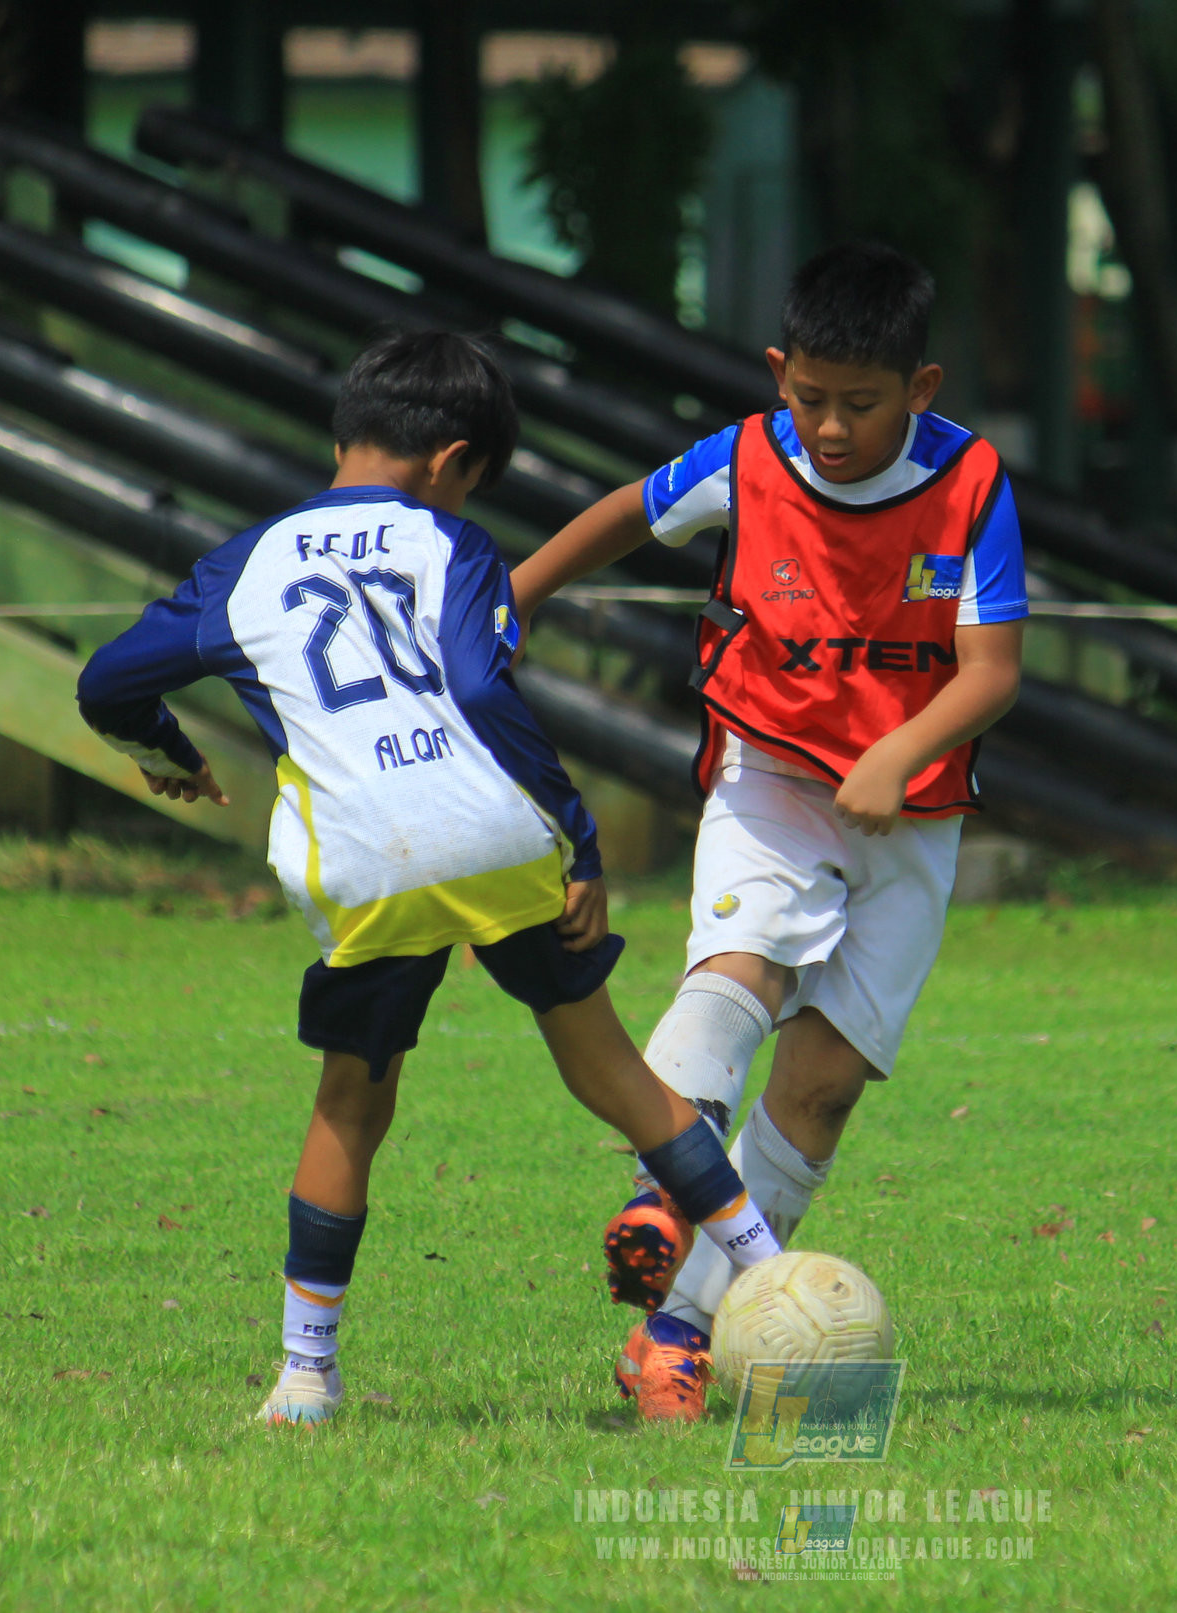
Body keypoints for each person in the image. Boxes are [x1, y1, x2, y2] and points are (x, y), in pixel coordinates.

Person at [74, 330, 784, 1425]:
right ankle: (770, 1274)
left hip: (366, 858)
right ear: (453, 462)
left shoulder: (244, 563)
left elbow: (108, 679)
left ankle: (305, 1374)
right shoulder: (453, 545)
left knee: (353, 1103)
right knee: (609, 1069)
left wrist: (164, 751)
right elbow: (476, 684)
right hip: (492, 833)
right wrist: (577, 831)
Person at [511, 242, 1028, 1421]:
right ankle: (660, 1186)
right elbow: (627, 513)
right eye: (809, 398)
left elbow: (989, 669)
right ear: (776, 372)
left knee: (826, 1082)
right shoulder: (745, 460)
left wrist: (900, 751)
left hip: (914, 805)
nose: (831, 428)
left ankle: (676, 1328)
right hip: (772, 771)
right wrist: (523, 590)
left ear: (923, 389)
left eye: (862, 404)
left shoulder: (972, 484)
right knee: (737, 968)